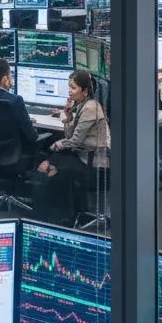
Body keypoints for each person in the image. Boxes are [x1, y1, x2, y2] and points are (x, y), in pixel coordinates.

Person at [36, 70, 110, 224]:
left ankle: (62, 215)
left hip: (94, 164)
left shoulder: (90, 108)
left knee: (53, 164)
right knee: (52, 162)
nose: (69, 91)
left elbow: (74, 142)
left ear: (85, 90)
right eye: (69, 87)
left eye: (73, 88)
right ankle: (61, 211)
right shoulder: (83, 105)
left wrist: (57, 144)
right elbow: (71, 136)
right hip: (84, 156)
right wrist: (68, 116)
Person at [0, 57, 40, 152]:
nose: (11, 78)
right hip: (12, 154)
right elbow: (32, 136)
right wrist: (28, 122)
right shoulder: (15, 101)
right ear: (5, 79)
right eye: (10, 75)